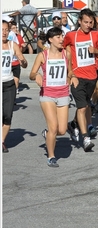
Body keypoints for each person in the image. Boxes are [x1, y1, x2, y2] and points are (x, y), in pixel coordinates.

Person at [63, 8, 98, 152]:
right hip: (77, 77)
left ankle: (73, 125)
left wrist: (96, 51)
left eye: (90, 22)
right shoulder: (71, 36)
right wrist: (69, 74)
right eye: (85, 22)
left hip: (92, 76)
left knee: (85, 105)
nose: (88, 25)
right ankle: (86, 138)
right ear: (79, 21)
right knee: (82, 107)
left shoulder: (96, 35)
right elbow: (63, 52)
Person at [29, 27, 72, 167]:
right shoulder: (42, 55)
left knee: (62, 130)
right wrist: (37, 75)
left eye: (62, 36)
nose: (61, 39)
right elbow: (31, 74)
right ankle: (51, 156)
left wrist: (73, 77)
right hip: (47, 94)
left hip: (63, 93)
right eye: (58, 37)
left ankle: (47, 134)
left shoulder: (67, 54)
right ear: (50, 39)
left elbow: (70, 72)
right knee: (54, 128)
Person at [2, 19, 28, 153]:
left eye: (6, 29)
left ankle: (2, 141)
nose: (4, 32)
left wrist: (23, 61)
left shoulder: (13, 45)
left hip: (8, 83)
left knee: (7, 115)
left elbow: (24, 62)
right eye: (2, 30)